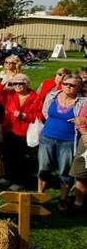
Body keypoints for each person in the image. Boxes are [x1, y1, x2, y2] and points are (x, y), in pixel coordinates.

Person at [38, 75, 85, 212]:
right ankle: (40, 196)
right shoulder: (52, 96)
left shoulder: (82, 102)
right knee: (43, 168)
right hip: (47, 137)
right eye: (65, 84)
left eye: (72, 85)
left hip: (68, 140)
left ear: (79, 87)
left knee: (65, 171)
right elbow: (45, 112)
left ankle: (63, 199)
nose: (68, 87)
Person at [0, 73, 42, 190]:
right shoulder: (10, 94)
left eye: (21, 83)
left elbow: (39, 116)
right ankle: (8, 177)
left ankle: (19, 181)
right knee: (8, 155)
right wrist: (4, 82)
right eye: (15, 83)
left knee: (19, 157)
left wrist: (24, 116)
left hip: (23, 131)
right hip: (8, 128)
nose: (18, 86)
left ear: (27, 84)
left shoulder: (35, 98)